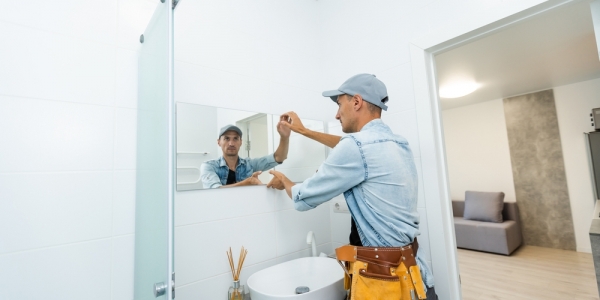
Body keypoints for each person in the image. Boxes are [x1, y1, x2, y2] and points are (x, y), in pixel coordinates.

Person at [267, 74, 438, 299]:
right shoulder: (398, 143)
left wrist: (284, 181)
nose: (337, 114)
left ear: (356, 102)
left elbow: (301, 198)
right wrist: (305, 132)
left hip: (385, 283)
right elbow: (353, 147)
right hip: (416, 273)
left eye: (339, 104)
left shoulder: (356, 147)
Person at [200, 123, 290, 188]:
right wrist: (247, 183)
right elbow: (215, 191)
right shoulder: (209, 166)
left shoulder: (249, 164)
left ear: (241, 142)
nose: (231, 143)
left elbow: (279, 157)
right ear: (219, 142)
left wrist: (284, 137)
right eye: (226, 138)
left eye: (235, 138)